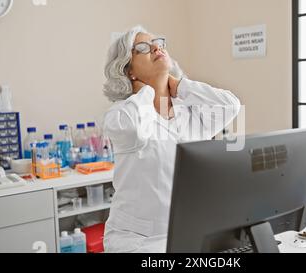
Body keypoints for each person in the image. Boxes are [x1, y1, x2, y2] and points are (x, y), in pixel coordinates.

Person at [102, 25, 241, 253]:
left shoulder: (188, 114)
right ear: (129, 70)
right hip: (137, 242)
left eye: (158, 43)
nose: (156, 47)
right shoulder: (121, 114)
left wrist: (179, 86)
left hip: (185, 234)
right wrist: (153, 86)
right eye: (144, 48)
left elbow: (231, 105)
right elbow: (135, 129)